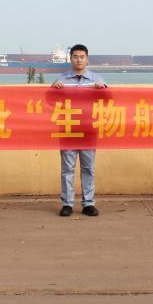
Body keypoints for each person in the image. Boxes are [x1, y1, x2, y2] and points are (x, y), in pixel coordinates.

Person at [51, 44, 107, 217]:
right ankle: (67, 204)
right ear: (71, 59)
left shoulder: (96, 79)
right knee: (67, 169)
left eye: (82, 57)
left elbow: (109, 101)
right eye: (75, 56)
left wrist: (102, 89)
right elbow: (49, 102)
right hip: (68, 129)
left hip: (88, 129)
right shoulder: (62, 79)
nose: (79, 60)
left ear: (87, 59)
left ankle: (88, 203)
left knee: (88, 168)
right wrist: (53, 89)